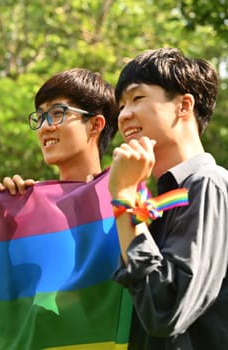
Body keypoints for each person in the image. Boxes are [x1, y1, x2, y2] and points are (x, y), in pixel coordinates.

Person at [108, 48, 228, 349]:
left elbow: (165, 311)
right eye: (121, 106)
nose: (124, 115)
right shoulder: (158, 202)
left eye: (137, 98)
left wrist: (124, 198)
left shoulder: (207, 184)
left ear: (184, 105)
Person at [0, 68, 118, 192]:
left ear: (95, 125)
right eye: (40, 117)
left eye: (58, 113)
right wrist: (3, 206)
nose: (44, 127)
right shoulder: (32, 203)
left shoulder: (125, 197)